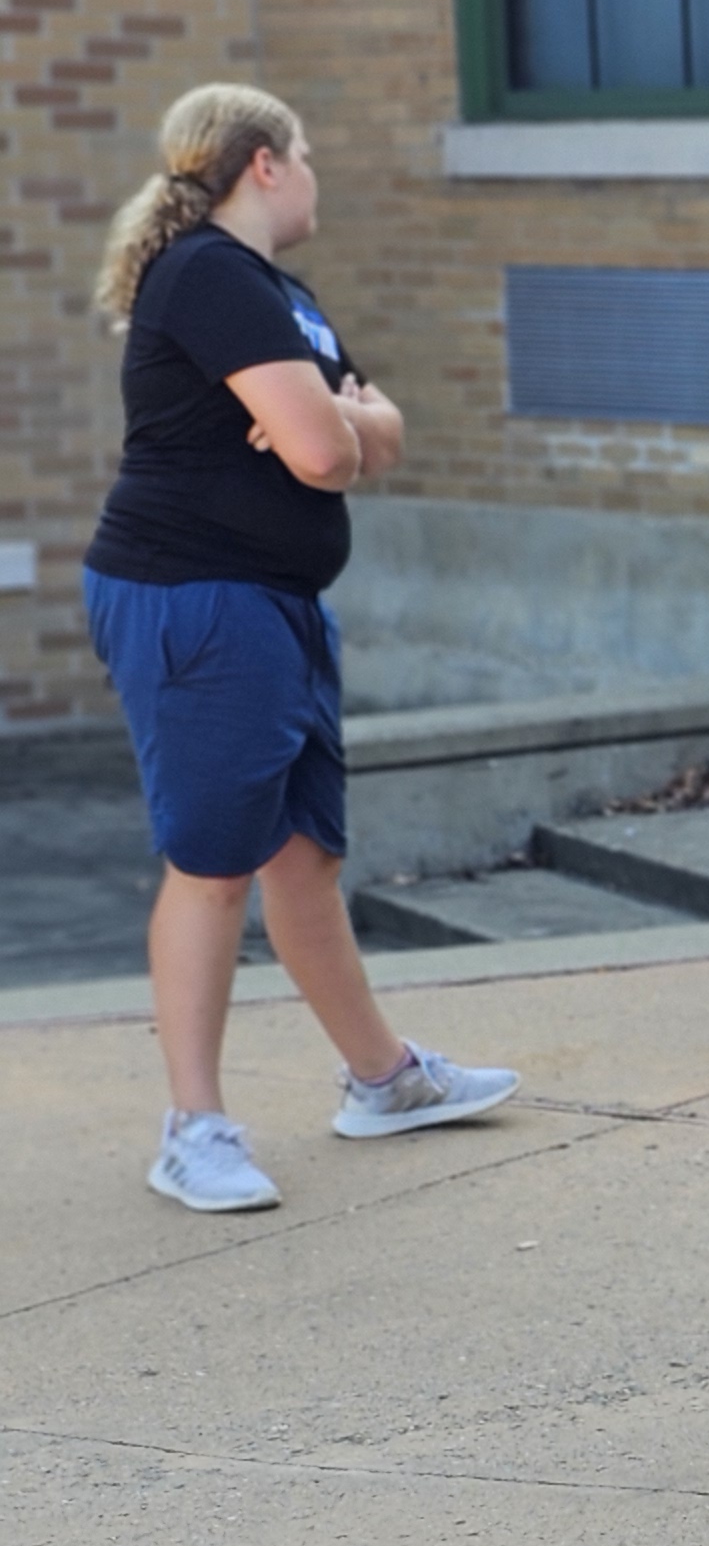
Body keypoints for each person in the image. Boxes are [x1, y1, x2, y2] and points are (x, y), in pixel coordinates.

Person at [80, 85, 518, 1214]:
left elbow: (370, 429)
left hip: (275, 598)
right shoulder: (210, 277)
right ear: (264, 165)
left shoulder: (279, 296)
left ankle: (384, 1081)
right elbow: (331, 447)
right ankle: (193, 1129)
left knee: (302, 855)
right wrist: (341, 424)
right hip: (196, 599)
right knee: (214, 862)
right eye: (309, 155)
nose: (317, 174)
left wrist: (345, 423)